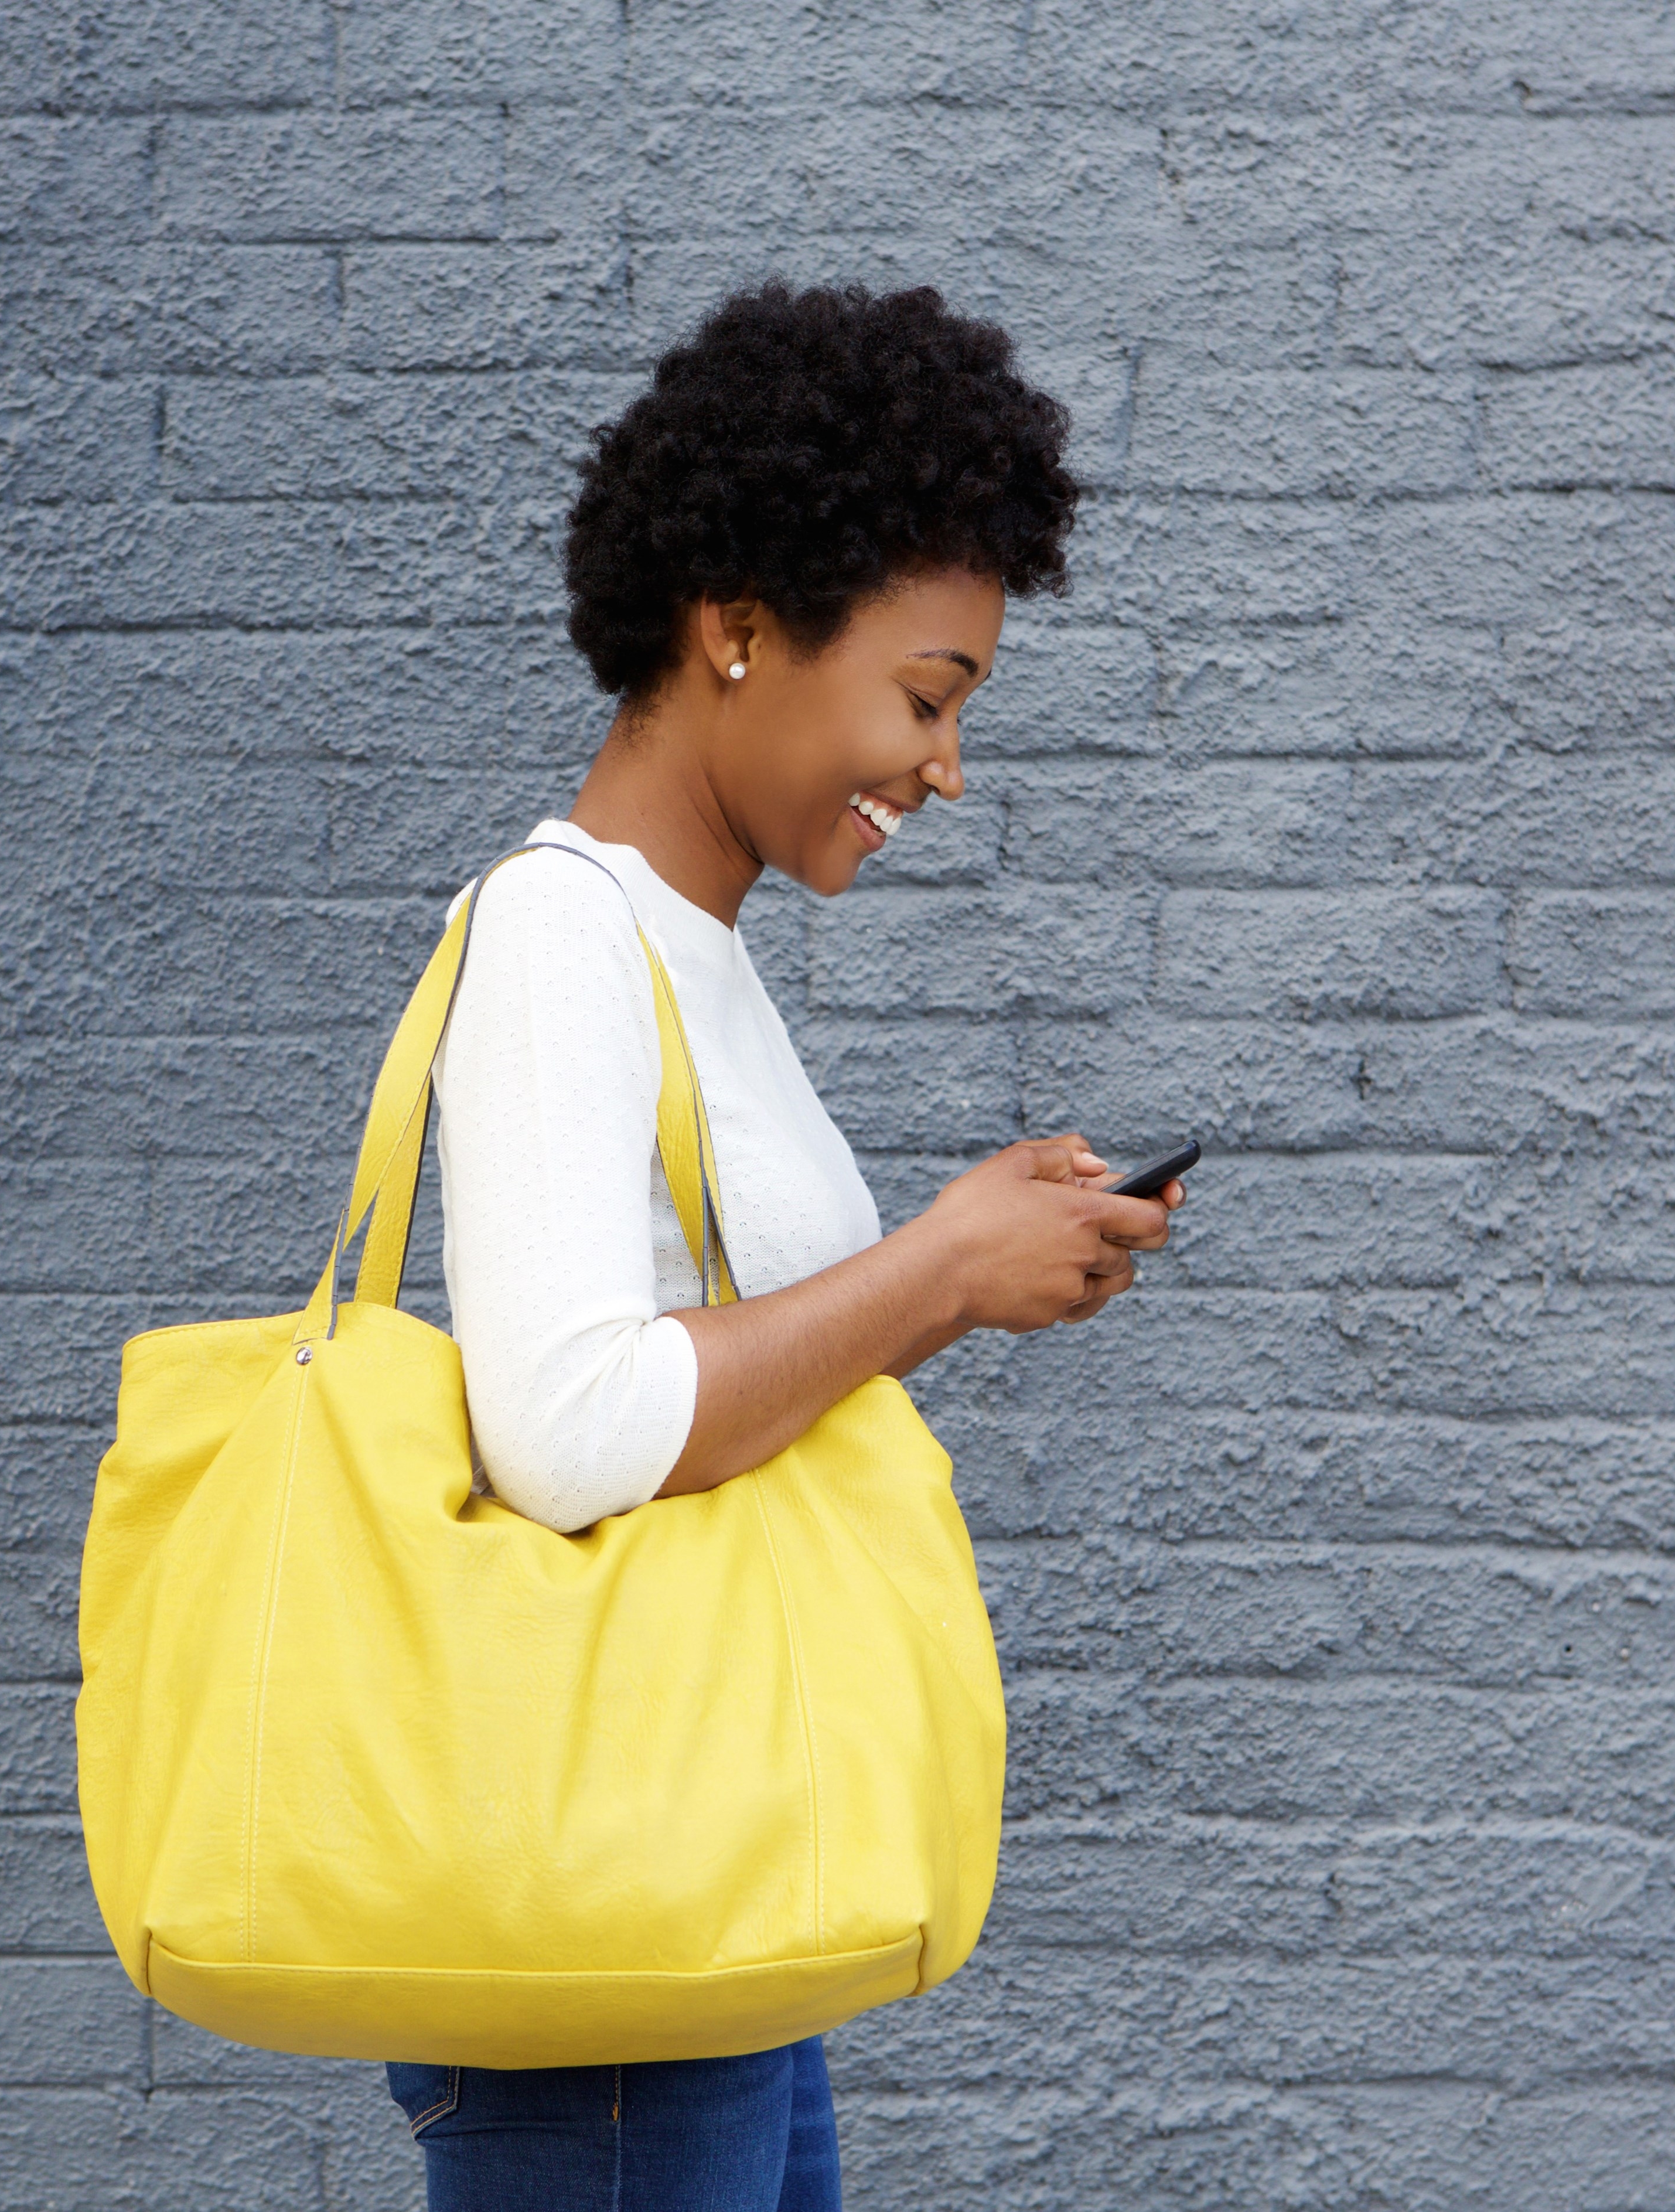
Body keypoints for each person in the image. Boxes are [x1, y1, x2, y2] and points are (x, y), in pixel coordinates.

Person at [384, 281, 1183, 2212]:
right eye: (928, 697)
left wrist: (977, 1264)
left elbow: (716, 1369)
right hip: (606, 1946)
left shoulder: (690, 954)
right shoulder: (563, 937)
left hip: (696, 1876)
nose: (945, 771)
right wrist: (934, 1271)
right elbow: (568, 1431)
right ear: (736, 630)